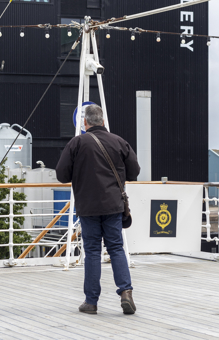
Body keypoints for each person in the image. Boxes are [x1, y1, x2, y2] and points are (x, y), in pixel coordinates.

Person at [56, 104, 140, 315]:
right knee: (116, 248)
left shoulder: (77, 143)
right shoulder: (119, 141)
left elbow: (61, 175)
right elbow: (134, 171)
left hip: (88, 206)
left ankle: (91, 301)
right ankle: (126, 292)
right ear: (103, 121)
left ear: (85, 123)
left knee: (92, 251)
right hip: (113, 205)